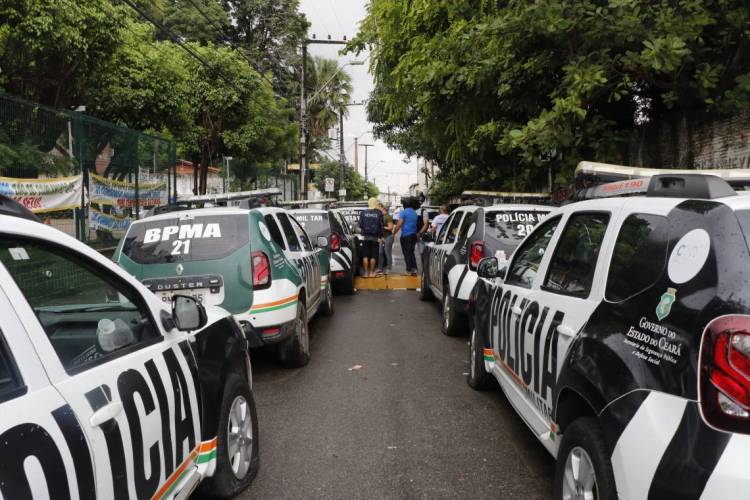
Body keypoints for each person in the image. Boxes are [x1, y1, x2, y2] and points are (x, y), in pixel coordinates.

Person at [392, 197, 419, 275]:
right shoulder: (414, 212)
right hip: (413, 234)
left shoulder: (403, 212)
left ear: (405, 204)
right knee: (411, 252)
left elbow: (399, 224)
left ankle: (408, 270)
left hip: (406, 235)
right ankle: (414, 269)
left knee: (406, 252)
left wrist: (394, 232)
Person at [358, 197, 384, 278]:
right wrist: (381, 237)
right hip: (375, 237)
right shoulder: (379, 213)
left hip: (365, 237)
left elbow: (360, 225)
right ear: (375, 203)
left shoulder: (363, 213)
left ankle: (366, 273)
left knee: (365, 256)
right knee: (373, 256)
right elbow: (381, 226)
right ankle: (372, 273)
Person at [376, 202, 394, 275]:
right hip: (382, 237)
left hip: (388, 237)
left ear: (382, 207)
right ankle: (380, 268)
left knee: (387, 253)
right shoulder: (380, 216)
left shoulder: (387, 216)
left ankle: (389, 268)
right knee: (380, 253)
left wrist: (382, 227)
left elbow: (391, 227)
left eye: (378, 208)